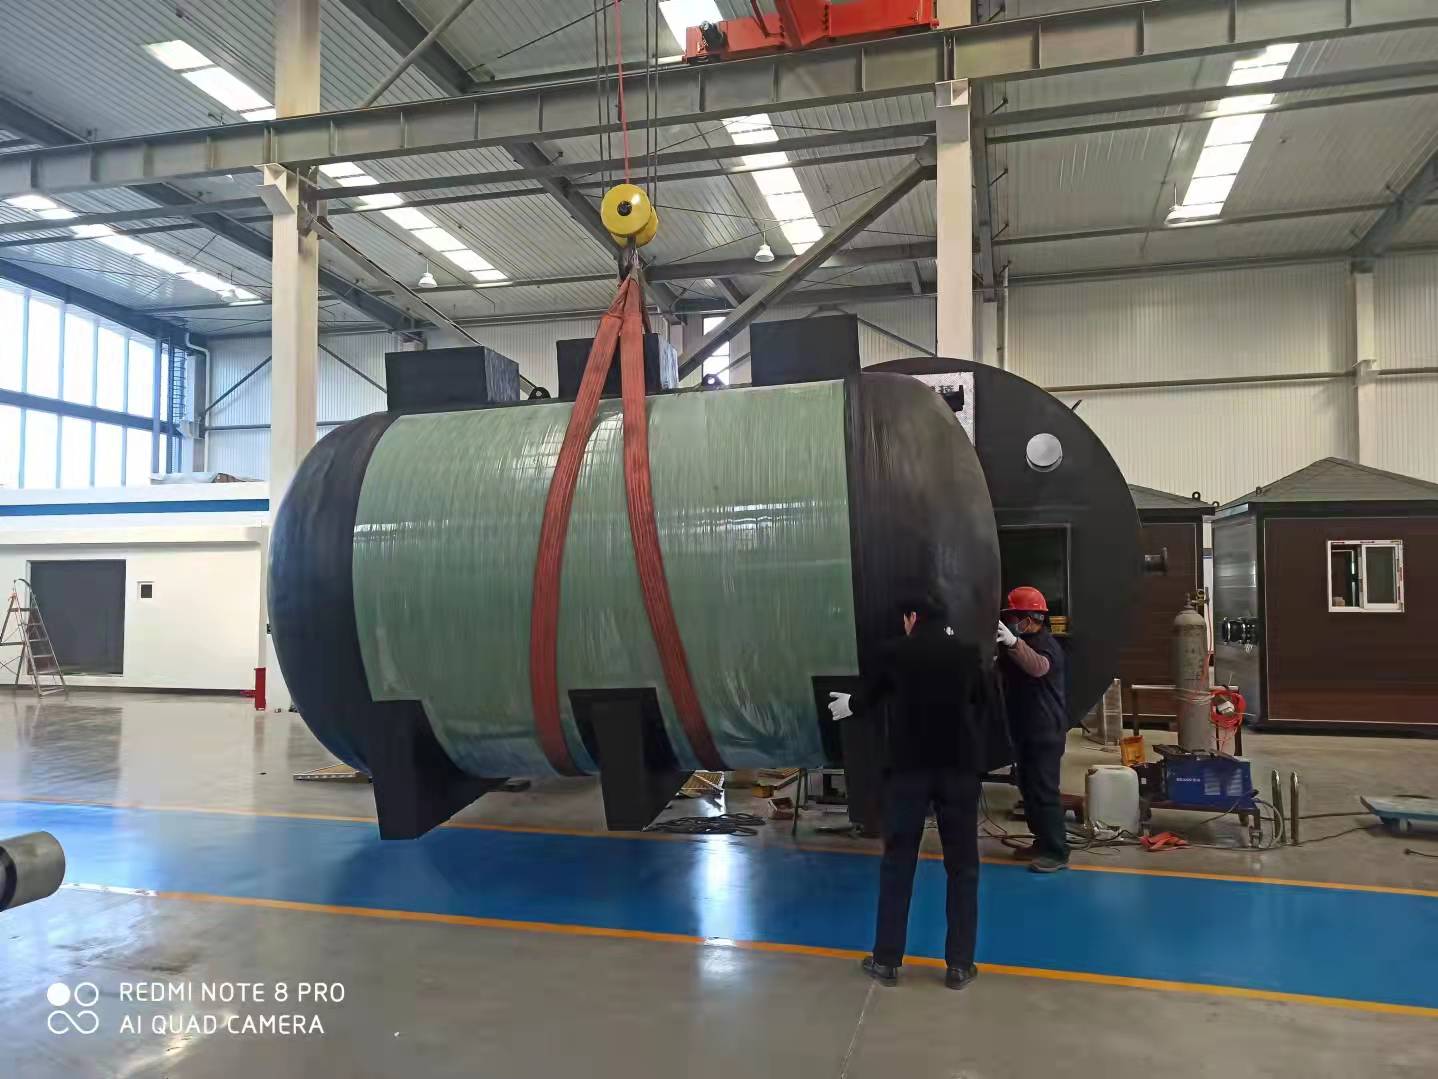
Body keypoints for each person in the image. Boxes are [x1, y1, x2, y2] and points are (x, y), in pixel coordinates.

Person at [827, 593, 984, 991]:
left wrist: (850, 704)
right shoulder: (968, 654)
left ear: (912, 617)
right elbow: (984, 705)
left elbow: (870, 697)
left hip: (908, 772)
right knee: (962, 866)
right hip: (958, 770)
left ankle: (886, 960)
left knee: (898, 863)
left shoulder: (894, 653)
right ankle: (960, 964)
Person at [995, 586, 1069, 874]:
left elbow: (1038, 667)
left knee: (1045, 791)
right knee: (1029, 789)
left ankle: (1057, 851)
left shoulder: (1046, 644)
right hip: (1025, 729)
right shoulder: (1017, 645)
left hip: (1045, 731)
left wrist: (1013, 642)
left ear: (1029, 618)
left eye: (1014, 617)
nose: (1010, 622)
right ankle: (1042, 841)